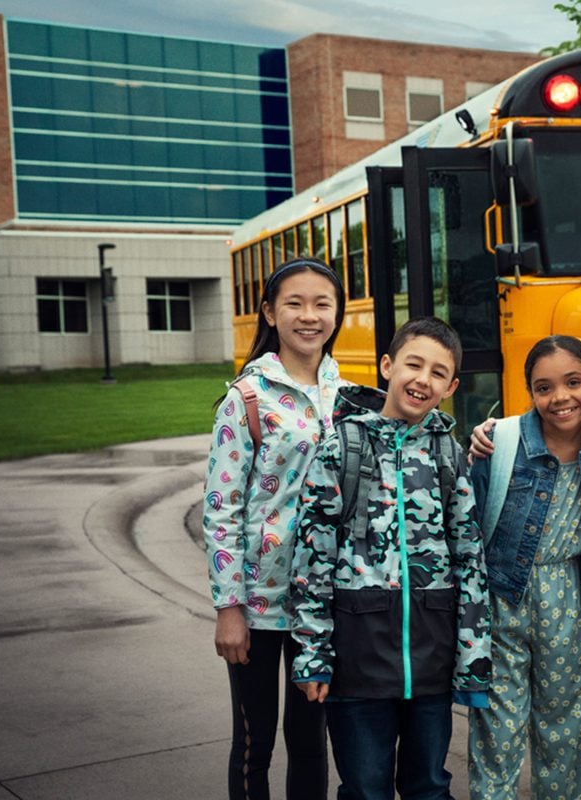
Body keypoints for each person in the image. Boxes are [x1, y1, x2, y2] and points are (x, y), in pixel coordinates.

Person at [290, 316, 492, 800]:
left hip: (431, 661)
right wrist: (313, 655)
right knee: (365, 788)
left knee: (429, 787)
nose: (423, 379)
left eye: (438, 373)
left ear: (451, 387)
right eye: (413, 364)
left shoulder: (449, 452)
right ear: (387, 366)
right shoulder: (344, 445)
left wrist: (473, 660)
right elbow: (313, 557)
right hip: (358, 661)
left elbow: (468, 557)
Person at [203, 257, 346, 800]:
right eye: (294, 303)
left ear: (336, 313)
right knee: (253, 740)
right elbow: (221, 510)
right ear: (269, 311)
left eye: (322, 304)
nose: (309, 316)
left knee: (311, 740)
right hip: (257, 606)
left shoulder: (349, 397)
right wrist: (228, 607)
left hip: (326, 604)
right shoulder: (247, 399)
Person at [466, 335, 581, 799]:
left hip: (565, 598)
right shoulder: (501, 441)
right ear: (530, 392)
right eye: (544, 387)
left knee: (562, 731)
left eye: (573, 382)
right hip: (500, 600)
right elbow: (467, 523)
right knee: (497, 732)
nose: (560, 398)